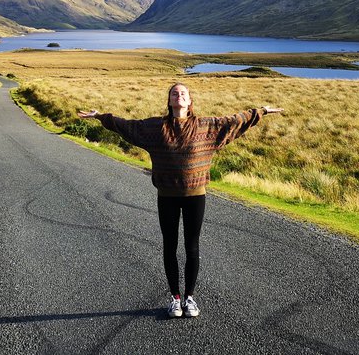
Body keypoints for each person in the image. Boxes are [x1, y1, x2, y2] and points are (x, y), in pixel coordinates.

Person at [78, 82, 282, 318]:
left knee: (192, 246)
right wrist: (100, 117)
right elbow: (127, 126)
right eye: (175, 93)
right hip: (167, 197)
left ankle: (190, 298)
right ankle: (175, 298)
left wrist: (260, 111)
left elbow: (234, 121)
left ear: (189, 100)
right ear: (170, 101)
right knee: (170, 246)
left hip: (196, 196)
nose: (179, 95)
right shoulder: (156, 127)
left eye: (183, 93)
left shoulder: (207, 126)